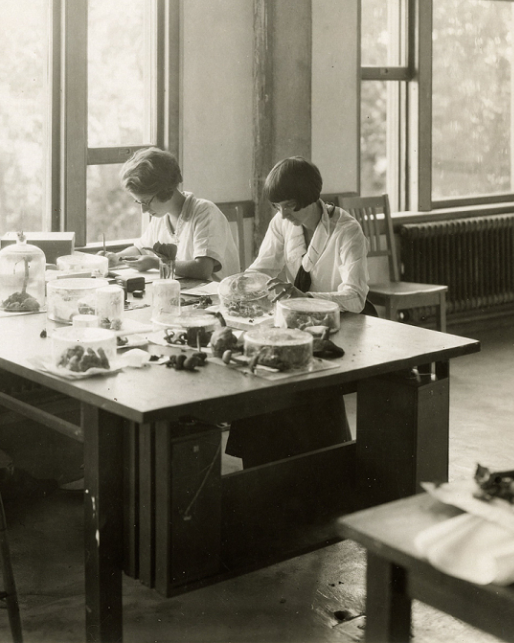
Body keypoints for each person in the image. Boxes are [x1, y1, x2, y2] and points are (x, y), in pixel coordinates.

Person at [225, 157, 370, 468]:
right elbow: (263, 268)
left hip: (338, 325)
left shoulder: (347, 230)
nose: (283, 215)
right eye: (277, 207)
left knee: (305, 392)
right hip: (295, 324)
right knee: (262, 375)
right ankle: (263, 467)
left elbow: (355, 298)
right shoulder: (282, 222)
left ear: (311, 198)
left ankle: (314, 468)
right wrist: (238, 286)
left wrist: (304, 297)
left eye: (290, 207)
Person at [100, 147, 240, 281]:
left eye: (146, 202)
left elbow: (203, 269)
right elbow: (139, 249)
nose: (144, 210)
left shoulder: (204, 212)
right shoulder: (161, 216)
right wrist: (116, 257)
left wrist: (156, 263)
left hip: (217, 299)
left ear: (166, 190)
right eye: (139, 203)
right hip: (185, 294)